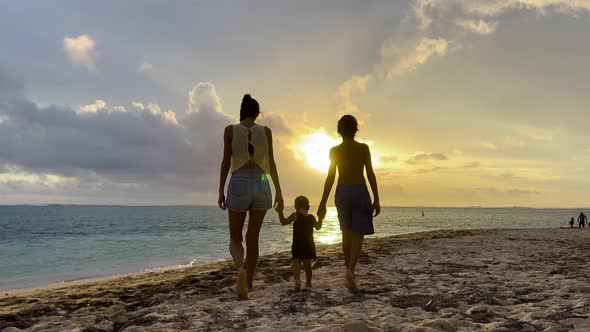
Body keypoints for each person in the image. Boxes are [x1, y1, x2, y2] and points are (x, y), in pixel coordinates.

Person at [218, 94, 284, 300]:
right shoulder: (267, 132)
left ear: (241, 112)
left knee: (235, 238)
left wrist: (221, 190)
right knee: (253, 237)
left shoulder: (230, 130)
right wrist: (279, 191)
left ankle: (240, 270)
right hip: (262, 184)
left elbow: (226, 162)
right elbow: (271, 163)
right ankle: (249, 283)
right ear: (257, 113)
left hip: (239, 182)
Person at [317, 115, 380, 291]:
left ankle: (347, 271)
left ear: (339, 130)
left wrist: (322, 203)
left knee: (346, 233)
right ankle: (351, 270)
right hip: (359, 190)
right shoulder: (363, 148)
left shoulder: (334, 151)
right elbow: (370, 173)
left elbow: (330, 177)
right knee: (357, 233)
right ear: (356, 129)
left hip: (343, 191)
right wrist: (376, 197)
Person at [276, 196, 322, 291]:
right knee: (307, 266)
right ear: (308, 207)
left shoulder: (295, 215)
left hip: (297, 244)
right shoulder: (311, 217)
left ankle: (297, 280)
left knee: (296, 263)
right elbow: (318, 227)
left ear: (295, 206)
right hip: (309, 244)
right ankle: (308, 283)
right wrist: (321, 217)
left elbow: (284, 222)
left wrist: (280, 212)